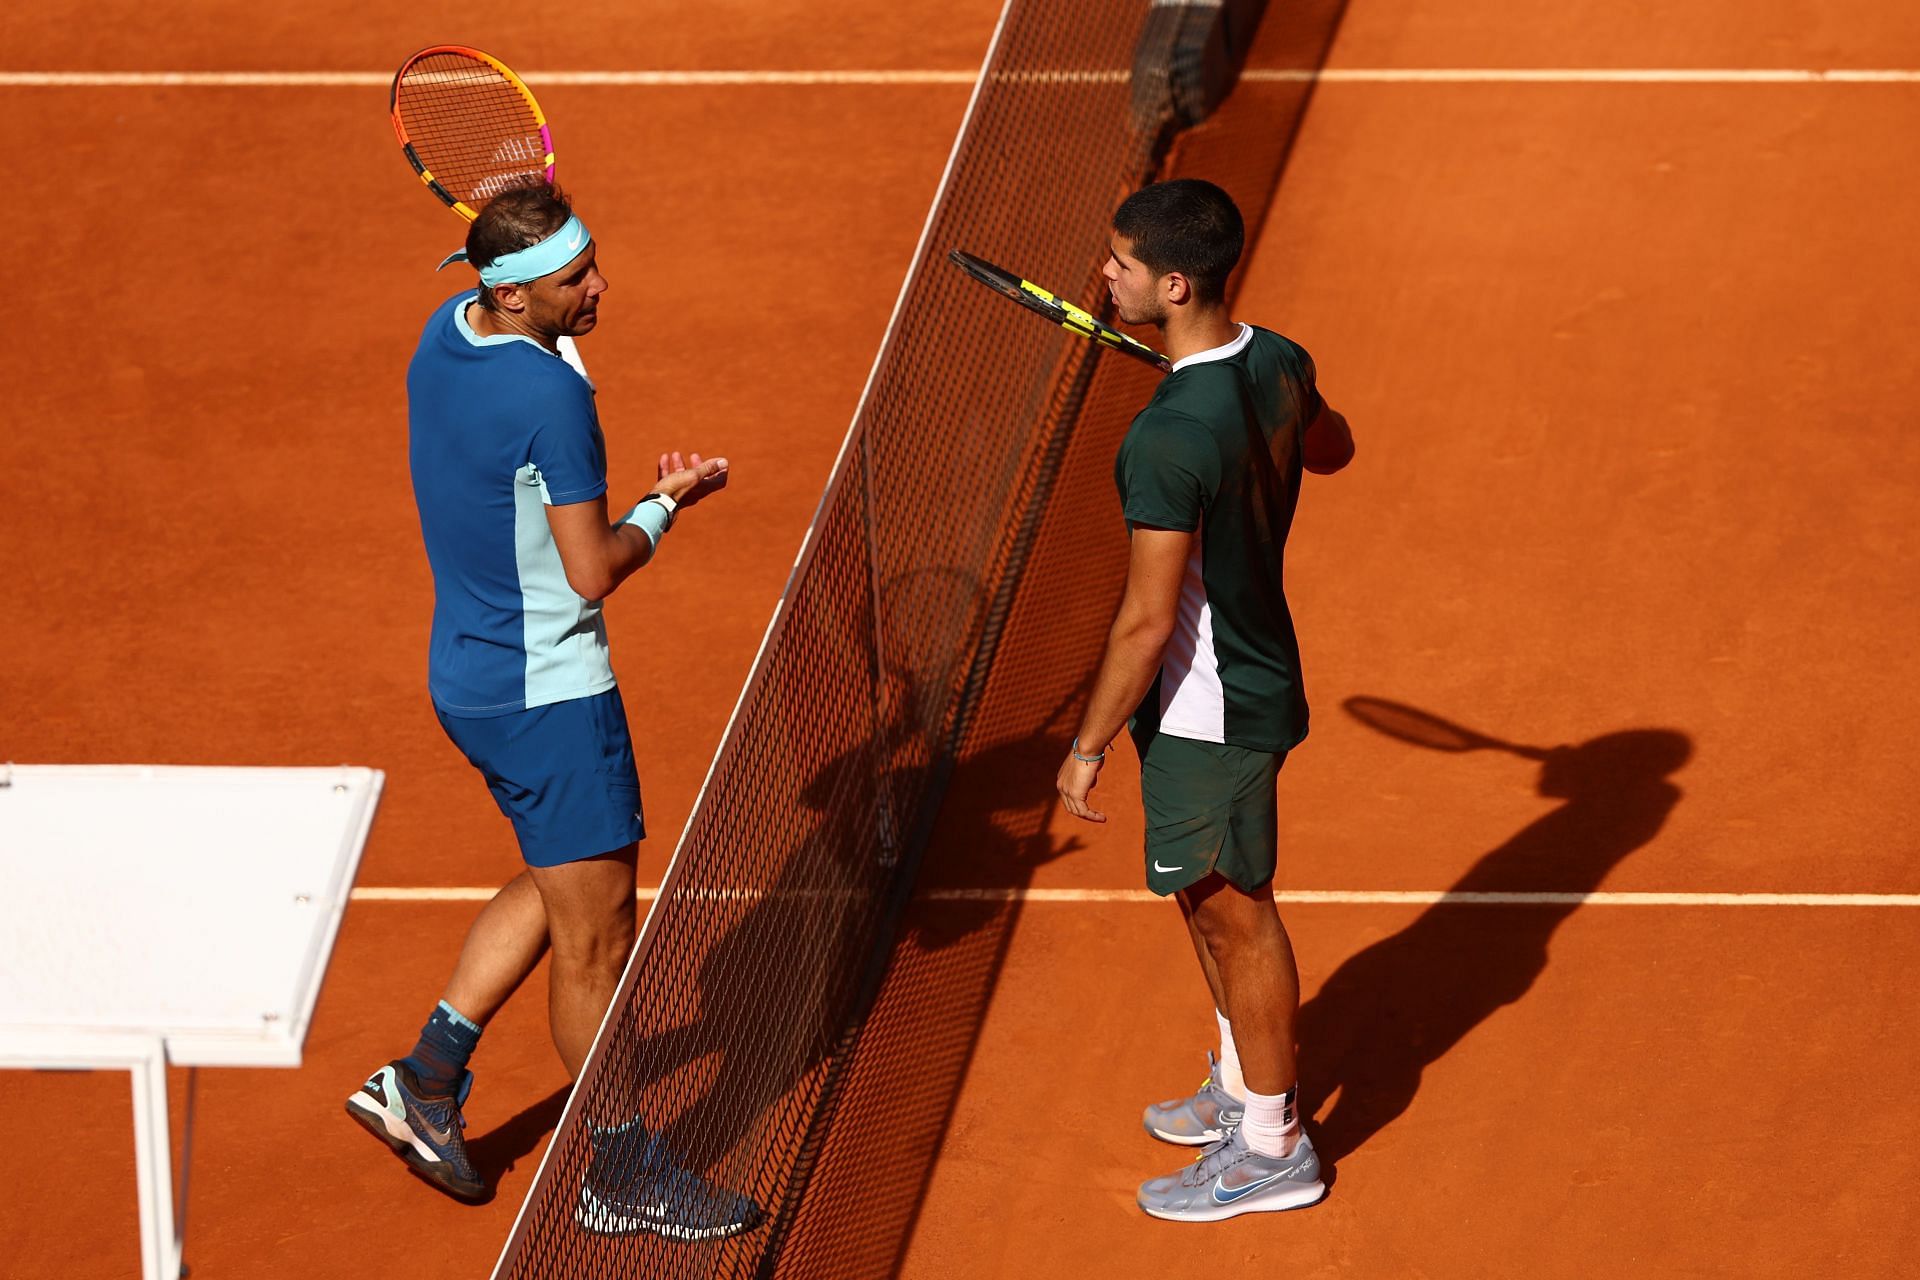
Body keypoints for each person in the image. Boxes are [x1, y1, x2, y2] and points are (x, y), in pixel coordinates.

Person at [345, 183, 756, 1240]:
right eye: (577, 279)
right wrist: (665, 507)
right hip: (550, 699)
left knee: (553, 872)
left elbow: (512, 442)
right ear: (516, 293)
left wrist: (559, 362)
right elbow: (589, 572)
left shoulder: (448, 334)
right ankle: (619, 1168)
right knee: (598, 940)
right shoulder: (555, 403)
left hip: (469, 677)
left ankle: (426, 1077)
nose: (600, 286)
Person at [1054, 178, 1355, 1221]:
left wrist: (1086, 744)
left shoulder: (1166, 440)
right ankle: (1239, 1086)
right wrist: (1228, 404)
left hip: (1209, 702)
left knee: (1238, 912)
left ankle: (1274, 1143)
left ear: (1174, 283)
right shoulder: (1275, 359)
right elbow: (1332, 444)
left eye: (1122, 265)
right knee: (1206, 898)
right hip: (1242, 675)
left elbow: (1143, 624)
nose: (1105, 274)